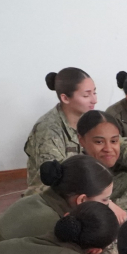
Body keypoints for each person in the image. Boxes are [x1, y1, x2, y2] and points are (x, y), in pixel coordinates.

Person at [23, 67, 97, 195]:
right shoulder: (48, 129)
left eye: (94, 93)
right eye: (86, 95)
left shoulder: (90, 119)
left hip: (84, 184)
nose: (94, 100)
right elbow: (55, 180)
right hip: (54, 196)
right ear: (65, 98)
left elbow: (120, 145)